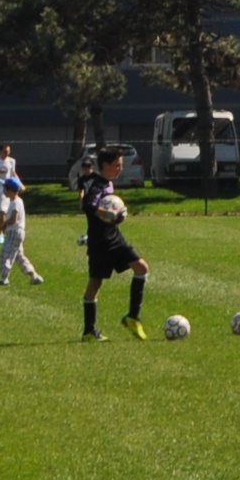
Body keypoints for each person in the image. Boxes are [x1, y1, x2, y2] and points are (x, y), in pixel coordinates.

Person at [78, 146, 147, 340]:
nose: (120, 169)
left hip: (114, 236)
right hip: (100, 241)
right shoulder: (98, 185)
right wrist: (107, 213)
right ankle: (89, 331)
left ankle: (133, 317)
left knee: (141, 268)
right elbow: (88, 205)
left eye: (121, 165)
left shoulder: (107, 183)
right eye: (117, 165)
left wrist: (116, 217)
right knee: (95, 283)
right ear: (106, 165)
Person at [0, 174, 42, 286]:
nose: (3, 189)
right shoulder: (15, 201)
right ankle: (34, 275)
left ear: (10, 190)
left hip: (14, 231)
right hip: (18, 232)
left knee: (5, 254)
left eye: (4, 187)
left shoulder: (16, 202)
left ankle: (4, 278)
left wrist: (5, 223)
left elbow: (14, 218)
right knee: (19, 257)